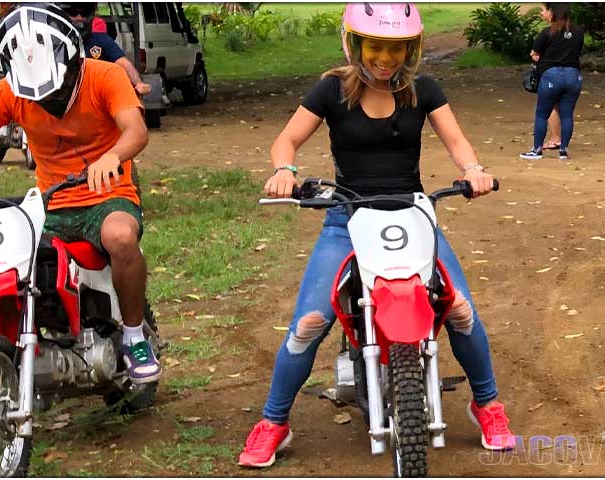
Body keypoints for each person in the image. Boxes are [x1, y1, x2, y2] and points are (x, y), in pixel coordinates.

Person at [238, 3, 515, 469]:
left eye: (397, 48)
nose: (386, 58)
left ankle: (487, 406)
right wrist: (284, 170)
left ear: (411, 49)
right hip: (345, 218)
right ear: (355, 44)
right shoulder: (330, 90)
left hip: (412, 214)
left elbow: (456, 140)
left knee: (460, 309)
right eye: (377, 47)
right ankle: (273, 421)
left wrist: (472, 170)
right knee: (308, 322)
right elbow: (285, 141)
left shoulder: (424, 90)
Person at [0, 4, 161, 383]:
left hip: (108, 196)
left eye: (55, 91)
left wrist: (112, 156)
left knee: (120, 237)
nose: (47, 101)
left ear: (73, 61)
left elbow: (135, 130)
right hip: (50, 204)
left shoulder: (105, 76)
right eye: (37, 96)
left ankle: (134, 335)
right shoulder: (8, 92)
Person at [520, 3, 583, 161]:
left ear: (552, 12)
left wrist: (540, 57)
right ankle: (563, 150)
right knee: (567, 114)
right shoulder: (578, 32)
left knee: (542, 113)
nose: (542, 12)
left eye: (544, 9)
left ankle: (537, 150)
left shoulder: (547, 33)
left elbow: (535, 53)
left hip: (551, 76)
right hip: (573, 76)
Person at [58, 2, 151, 96]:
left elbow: (124, 63)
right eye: (73, 13)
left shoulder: (100, 39)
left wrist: (138, 83)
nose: (79, 18)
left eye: (84, 14)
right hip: (61, 100)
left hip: (94, 98)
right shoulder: (52, 41)